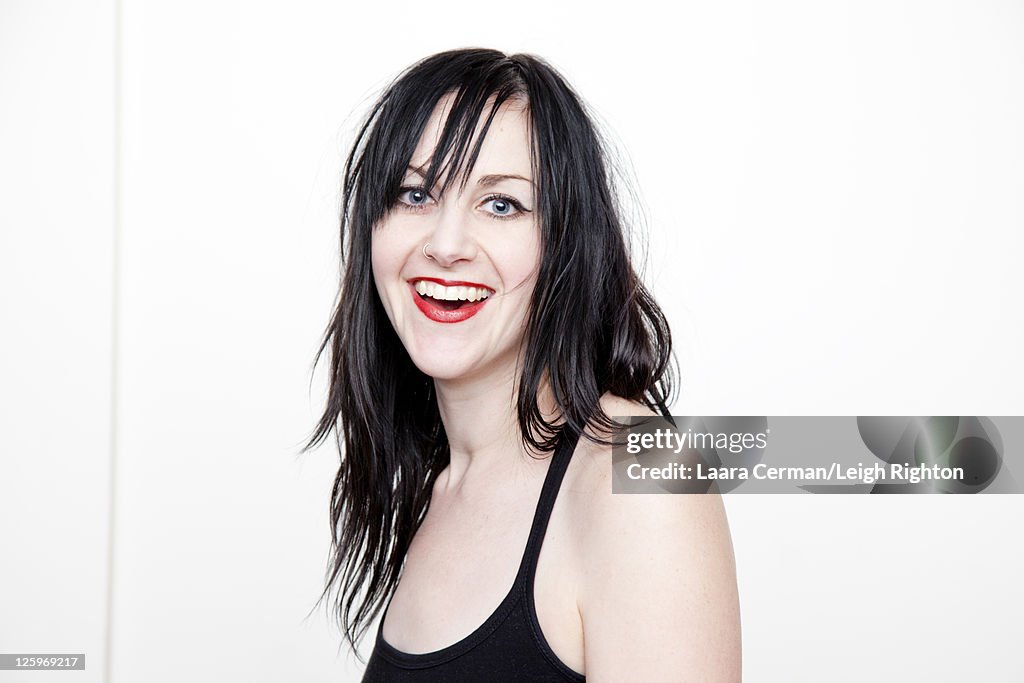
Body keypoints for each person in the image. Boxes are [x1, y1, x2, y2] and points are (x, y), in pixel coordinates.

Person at [304, 48, 741, 682]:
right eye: (414, 193)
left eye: (502, 204)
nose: (446, 246)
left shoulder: (642, 476)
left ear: (565, 241)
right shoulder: (439, 483)